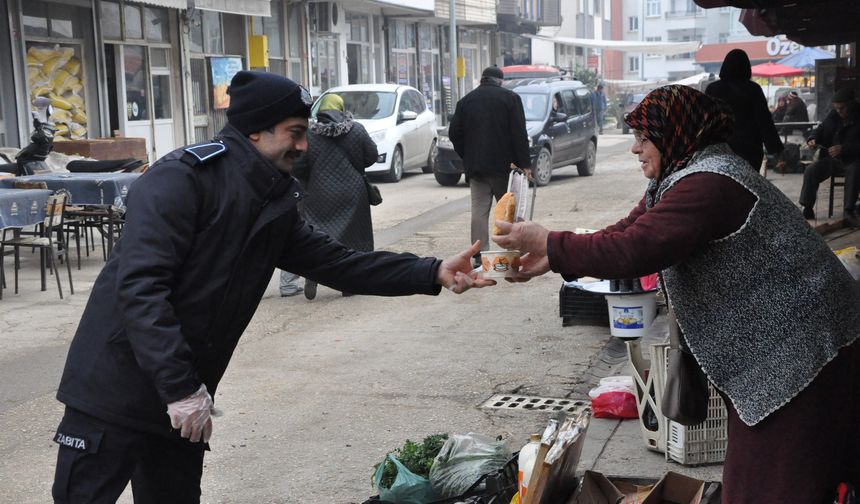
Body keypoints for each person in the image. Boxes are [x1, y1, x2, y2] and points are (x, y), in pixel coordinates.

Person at [51, 71, 495, 503]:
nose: (304, 145)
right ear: (256, 132)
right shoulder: (181, 180)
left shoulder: (273, 198)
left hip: (184, 395)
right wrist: (180, 388)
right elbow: (141, 288)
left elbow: (338, 264)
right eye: (295, 132)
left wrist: (432, 271)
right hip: (115, 389)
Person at [494, 85, 860, 503]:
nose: (635, 149)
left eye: (643, 138)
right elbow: (627, 231)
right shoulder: (682, 176)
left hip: (802, 354)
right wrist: (557, 257)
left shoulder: (710, 183)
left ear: (675, 134)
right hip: (784, 354)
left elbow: (635, 249)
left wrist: (550, 242)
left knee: (768, 486)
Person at [280, 93, 378, 299]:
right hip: (354, 195)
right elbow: (371, 156)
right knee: (353, 240)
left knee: (318, 237)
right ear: (341, 108)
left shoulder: (310, 134)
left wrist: (314, 178)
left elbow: (298, 166)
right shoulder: (357, 130)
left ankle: (313, 275)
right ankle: (349, 284)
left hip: (318, 195)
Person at [448, 65, 531, 267]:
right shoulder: (510, 99)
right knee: (508, 209)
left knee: (479, 210)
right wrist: (524, 164)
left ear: (482, 80)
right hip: (504, 168)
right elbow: (518, 134)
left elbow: (454, 133)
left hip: (476, 168)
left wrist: (467, 155)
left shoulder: (466, 101)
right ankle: (513, 251)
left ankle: (478, 254)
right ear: (500, 81)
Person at [705, 48, 783, 171]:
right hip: (749, 149)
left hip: (720, 150)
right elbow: (764, 121)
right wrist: (775, 149)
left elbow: (705, 121)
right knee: (747, 186)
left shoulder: (712, 89)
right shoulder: (753, 89)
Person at [799, 87, 860, 224]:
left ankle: (848, 211)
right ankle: (807, 207)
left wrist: (844, 148)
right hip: (834, 160)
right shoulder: (834, 115)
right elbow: (820, 129)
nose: (839, 111)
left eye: (842, 108)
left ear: (851, 104)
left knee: (854, 170)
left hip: (854, 160)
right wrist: (813, 139)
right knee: (811, 170)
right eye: (836, 108)